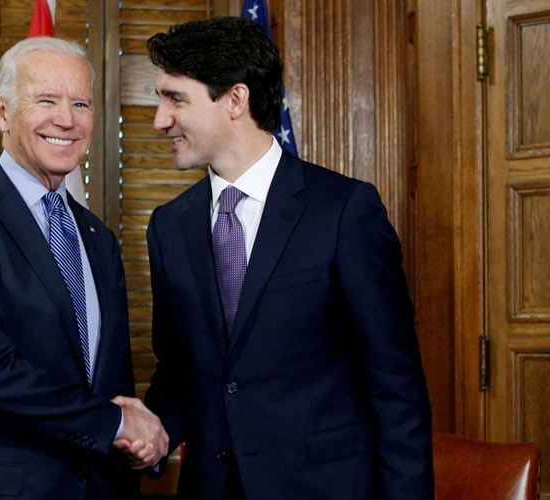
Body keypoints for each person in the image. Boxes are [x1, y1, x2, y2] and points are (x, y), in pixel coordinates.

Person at [142, 16, 434, 499]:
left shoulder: (344, 211)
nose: (159, 119)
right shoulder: (168, 227)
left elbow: (396, 386)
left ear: (235, 99)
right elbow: (178, 374)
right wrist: (144, 433)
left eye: (175, 98)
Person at [0, 36, 167, 499]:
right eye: (46, 100)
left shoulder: (98, 239)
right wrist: (114, 423)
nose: (66, 120)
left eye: (81, 103)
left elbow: (111, 383)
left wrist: (138, 441)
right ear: (3, 112)